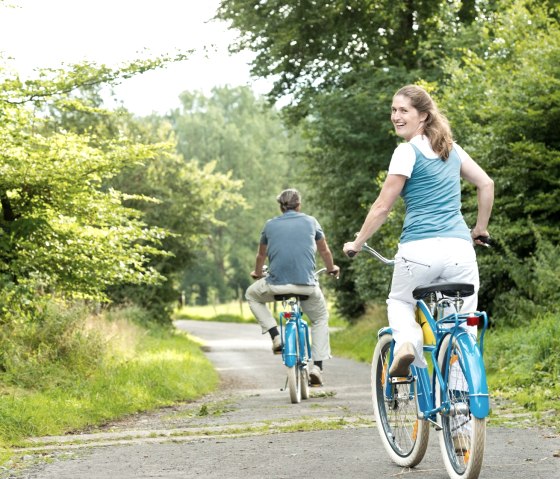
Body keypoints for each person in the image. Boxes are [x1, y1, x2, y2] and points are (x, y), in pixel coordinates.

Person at [343, 84, 494, 378]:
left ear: (423, 116)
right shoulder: (452, 150)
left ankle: (408, 344)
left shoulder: (406, 152)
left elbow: (382, 207)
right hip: (460, 251)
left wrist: (358, 242)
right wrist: (480, 229)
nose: (395, 116)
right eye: (393, 110)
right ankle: (463, 414)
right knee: (462, 328)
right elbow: (486, 184)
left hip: (419, 250)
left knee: (400, 301)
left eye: (403, 110)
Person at [246, 188, 340, 386]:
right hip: (306, 286)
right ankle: (318, 367)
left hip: (275, 285)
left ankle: (276, 337)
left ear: (281, 206)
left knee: (251, 295)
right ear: (299, 205)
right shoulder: (311, 222)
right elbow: (324, 251)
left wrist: (257, 273)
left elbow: (260, 256)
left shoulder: (269, 225)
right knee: (320, 318)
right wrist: (331, 269)